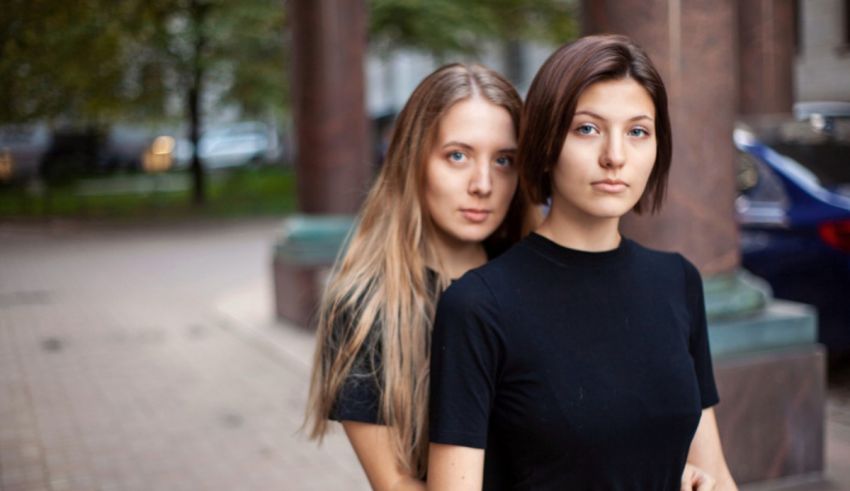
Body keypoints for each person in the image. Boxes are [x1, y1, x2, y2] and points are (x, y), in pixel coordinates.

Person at [427, 34, 738, 490]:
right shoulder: (478, 306)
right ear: (547, 141)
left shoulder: (676, 281)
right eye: (587, 129)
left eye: (638, 131)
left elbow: (716, 474)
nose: (615, 156)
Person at [305, 63, 534, 491]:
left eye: (504, 160)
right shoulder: (367, 306)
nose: (482, 184)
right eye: (458, 156)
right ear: (414, 160)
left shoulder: (536, 278)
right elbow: (395, 484)